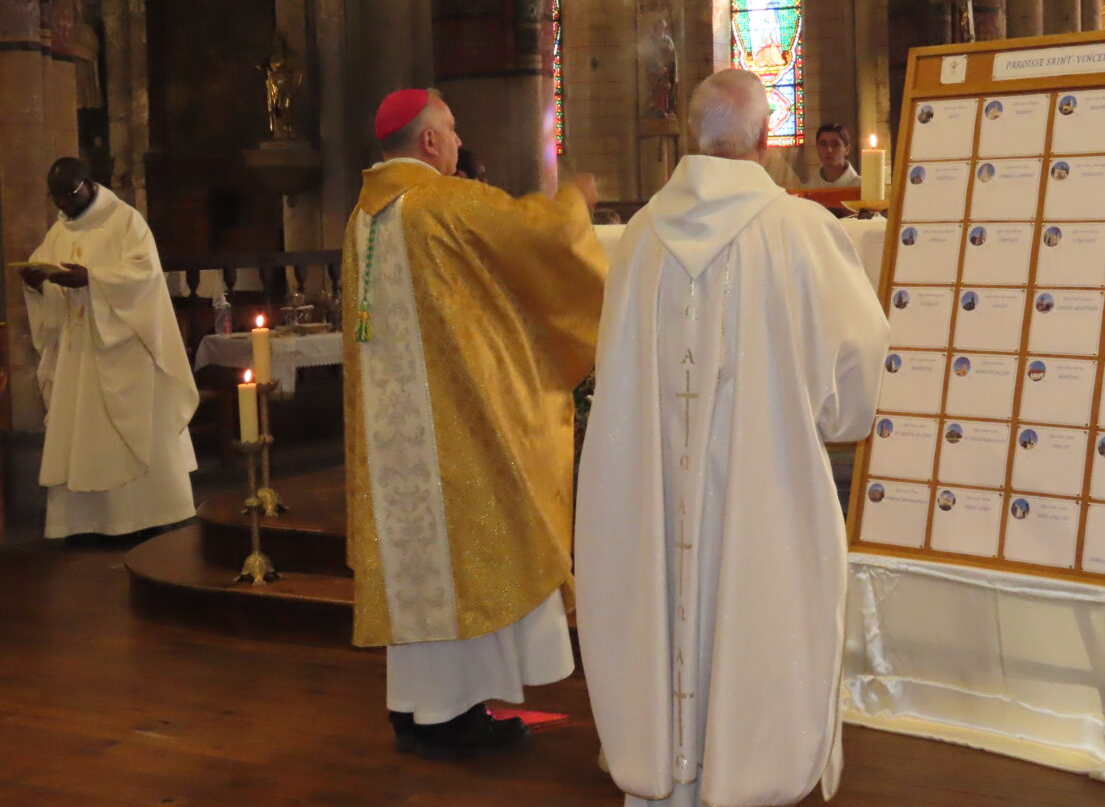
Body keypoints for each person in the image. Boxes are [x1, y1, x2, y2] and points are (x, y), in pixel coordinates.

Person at [576, 69, 889, 807]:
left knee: (663, 600)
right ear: (764, 139)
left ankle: (664, 770)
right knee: (761, 606)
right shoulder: (800, 230)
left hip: (654, 492)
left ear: (694, 136)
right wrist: (833, 417)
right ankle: (747, 775)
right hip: (764, 486)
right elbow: (859, 362)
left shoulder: (640, 236)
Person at [342, 89, 606, 759]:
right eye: (453, 131)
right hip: (456, 430)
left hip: (393, 437)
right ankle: (450, 714)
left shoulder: (362, 219)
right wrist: (576, 201)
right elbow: (541, 238)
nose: (459, 144)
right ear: (428, 142)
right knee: (479, 554)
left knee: (417, 565)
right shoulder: (445, 204)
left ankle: (415, 704)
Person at [20, 157, 198, 538]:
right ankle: (84, 523)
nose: (63, 205)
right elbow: (48, 279)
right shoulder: (59, 231)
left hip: (124, 350)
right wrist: (37, 284)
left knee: (130, 431)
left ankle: (146, 516)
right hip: (78, 353)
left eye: (68, 195)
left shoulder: (126, 221)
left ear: (88, 183)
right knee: (80, 432)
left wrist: (92, 280)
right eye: (56, 198)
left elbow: (145, 276)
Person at [799, 123, 861, 189]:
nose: (829, 150)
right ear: (817, 148)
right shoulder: (808, 188)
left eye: (835, 144)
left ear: (847, 149)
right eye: (823, 144)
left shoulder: (862, 186)